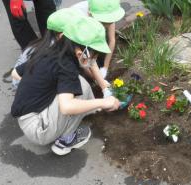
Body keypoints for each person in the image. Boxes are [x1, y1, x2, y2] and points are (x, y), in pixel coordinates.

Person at [11, 16, 120, 156]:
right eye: (94, 56)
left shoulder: (50, 51)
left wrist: (40, 87)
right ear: (81, 53)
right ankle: (65, 141)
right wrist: (104, 102)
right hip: (38, 128)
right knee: (80, 91)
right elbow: (67, 107)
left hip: (26, 118)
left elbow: (15, 73)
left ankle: (64, 121)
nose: (94, 60)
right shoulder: (66, 66)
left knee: (79, 85)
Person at [11, 8, 84, 88]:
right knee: (81, 85)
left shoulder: (44, 43)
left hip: (25, 84)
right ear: (61, 35)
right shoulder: (55, 52)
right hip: (30, 88)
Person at [71, 0, 125, 79]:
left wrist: (105, 68)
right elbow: (80, 55)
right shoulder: (80, 20)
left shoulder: (107, 10)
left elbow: (112, 40)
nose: (108, 25)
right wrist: (94, 77)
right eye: (104, 23)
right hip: (66, 41)